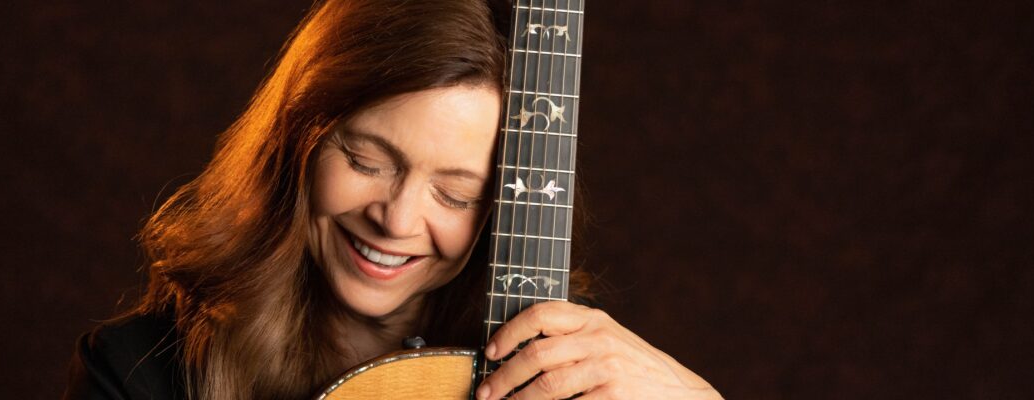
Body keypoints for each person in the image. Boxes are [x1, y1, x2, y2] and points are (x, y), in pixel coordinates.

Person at [63, 0, 722, 399]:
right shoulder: (139, 374)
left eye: (455, 193)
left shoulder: (564, 367)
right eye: (366, 161)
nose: (398, 219)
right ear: (300, 137)